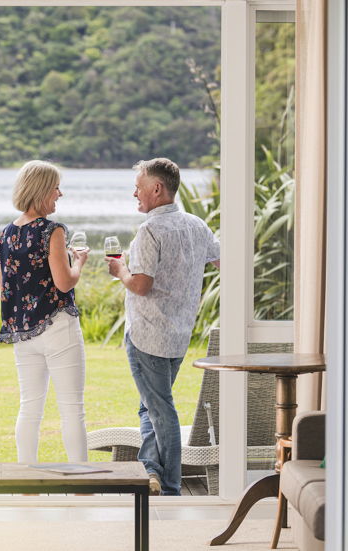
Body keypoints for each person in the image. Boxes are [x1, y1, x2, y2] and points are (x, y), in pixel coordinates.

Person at [105, 158, 221, 496]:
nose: (134, 194)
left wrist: (120, 270)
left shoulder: (150, 230)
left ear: (157, 189)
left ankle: (170, 485)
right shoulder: (197, 225)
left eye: (139, 188)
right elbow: (221, 258)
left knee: (161, 409)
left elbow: (140, 284)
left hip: (148, 335)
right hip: (179, 335)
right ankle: (151, 470)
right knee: (151, 404)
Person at [0, 160, 90, 463]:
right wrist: (79, 263)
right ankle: (81, 483)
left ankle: (26, 482)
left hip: (23, 334)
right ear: (41, 190)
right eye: (56, 187)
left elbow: (4, 289)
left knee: (30, 408)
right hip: (58, 328)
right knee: (72, 409)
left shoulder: (6, 235)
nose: (59, 194)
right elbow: (63, 284)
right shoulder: (53, 231)